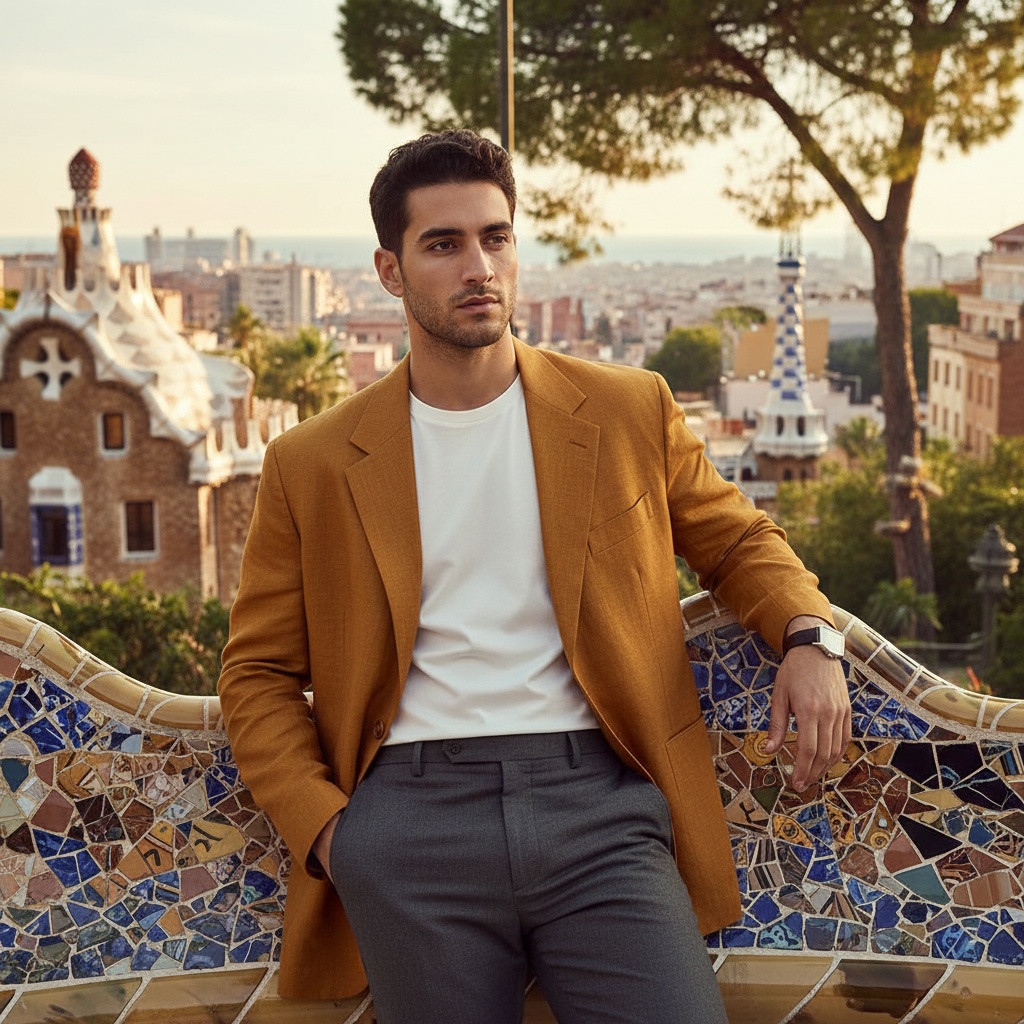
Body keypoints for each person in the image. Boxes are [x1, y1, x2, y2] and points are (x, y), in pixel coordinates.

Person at [217, 128, 851, 1023]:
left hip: (601, 804)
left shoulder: (628, 409)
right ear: (390, 271)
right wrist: (333, 833)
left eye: (496, 237)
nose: (479, 266)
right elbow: (257, 672)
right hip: (408, 819)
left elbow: (740, 543)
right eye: (443, 244)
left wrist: (811, 637)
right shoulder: (311, 462)